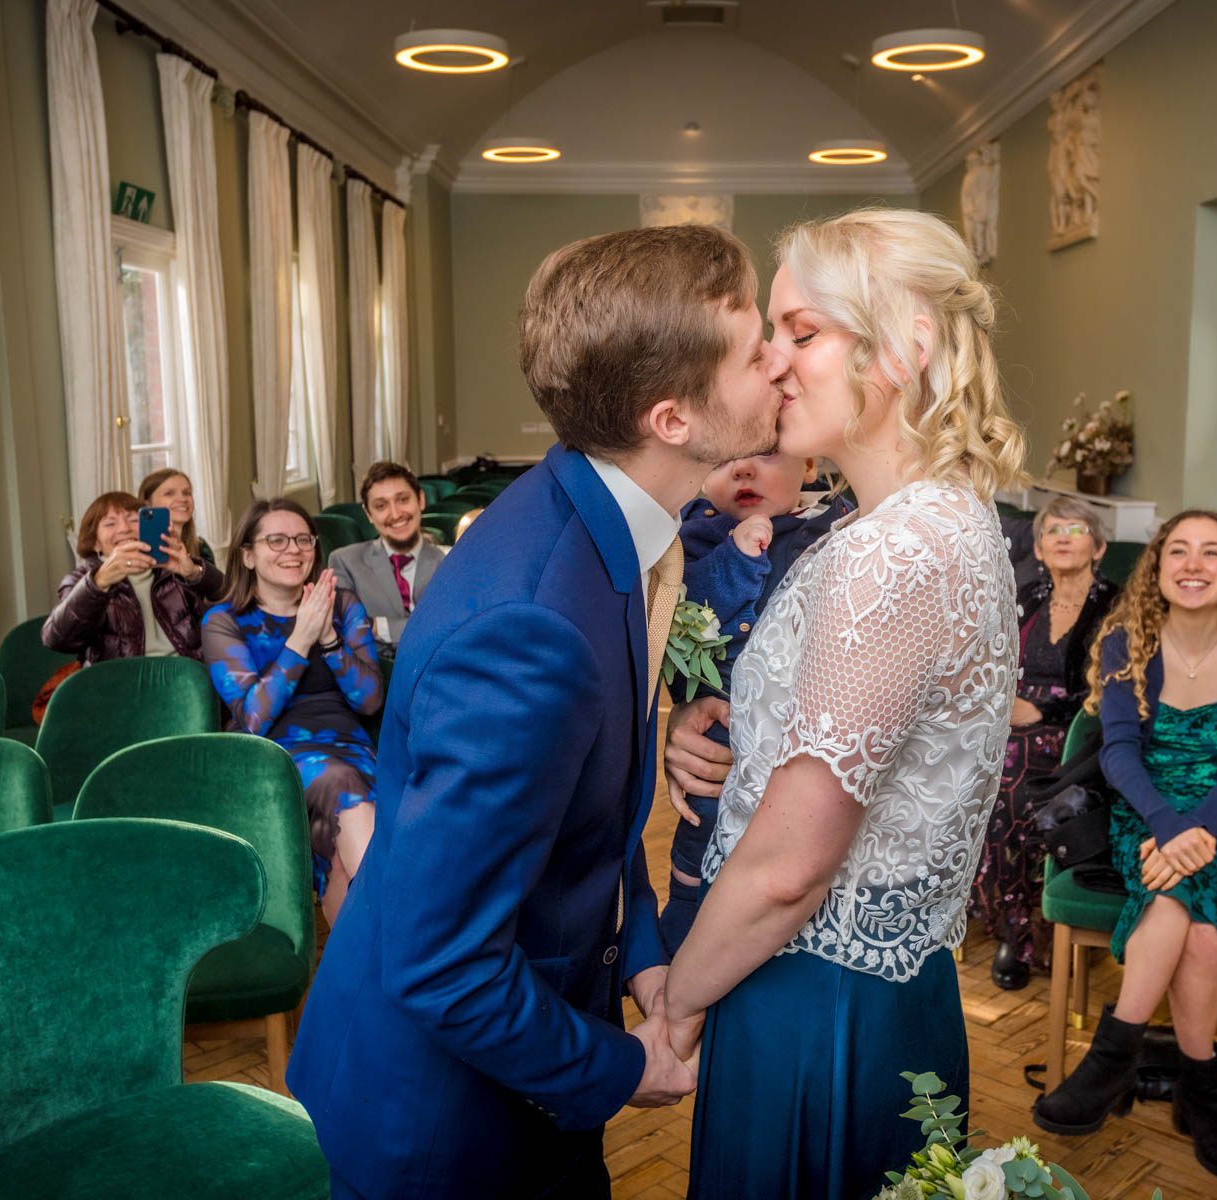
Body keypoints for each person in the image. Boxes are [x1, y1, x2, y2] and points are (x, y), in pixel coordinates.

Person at [285, 224, 785, 1199]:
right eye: (754, 343)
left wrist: (642, 963)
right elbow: (441, 964)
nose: (778, 364)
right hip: (440, 1127)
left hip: (520, 1055)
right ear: (673, 417)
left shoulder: (594, 519)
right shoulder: (535, 626)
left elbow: (581, 831)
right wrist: (625, 1066)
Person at [661, 208, 1025, 1200]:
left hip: (816, 1000)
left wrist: (678, 1004)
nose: (772, 362)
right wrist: (726, 734)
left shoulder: (894, 550)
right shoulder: (926, 520)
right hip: (873, 990)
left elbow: (792, 866)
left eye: (803, 332)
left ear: (905, 346)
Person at [1032, 510, 1217, 1192]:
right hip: (1145, 819)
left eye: (1212, 553)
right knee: (1205, 938)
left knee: (1184, 902)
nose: (1192, 564)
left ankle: (1110, 1056)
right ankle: (1202, 1094)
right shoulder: (1127, 641)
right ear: (1156, 568)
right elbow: (1118, 752)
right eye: (1177, 550)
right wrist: (1165, 824)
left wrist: (1200, 828)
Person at [658, 451, 847, 955]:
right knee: (701, 839)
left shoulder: (838, 526)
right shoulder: (699, 537)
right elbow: (685, 615)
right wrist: (735, 558)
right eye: (722, 461)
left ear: (808, 466)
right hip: (722, 737)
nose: (741, 470)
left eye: (764, 455)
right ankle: (682, 934)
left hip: (805, 751)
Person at [200, 499, 383, 924]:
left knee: (344, 852)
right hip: (275, 756)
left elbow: (370, 700)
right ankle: (402, 946)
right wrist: (300, 640)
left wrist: (331, 641)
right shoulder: (224, 621)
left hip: (350, 746)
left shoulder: (342, 605)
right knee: (343, 788)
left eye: (303, 539)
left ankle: (357, 981)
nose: (293, 550)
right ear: (248, 555)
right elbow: (253, 720)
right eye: (276, 540)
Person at [972, 496, 1120, 990]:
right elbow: (989, 661)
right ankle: (999, 915)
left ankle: (1020, 933)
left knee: (1008, 788)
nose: (1062, 537)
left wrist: (1043, 711)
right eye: (1052, 530)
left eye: (1075, 530)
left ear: (1097, 546)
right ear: (1037, 546)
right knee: (963, 770)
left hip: (1081, 728)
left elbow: (1116, 687)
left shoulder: (1116, 607)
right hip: (1007, 720)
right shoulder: (1026, 597)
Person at [41, 489, 222, 664]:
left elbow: (237, 604)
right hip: (122, 684)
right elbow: (57, 640)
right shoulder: (81, 580)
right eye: (110, 524)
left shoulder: (177, 566)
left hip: (185, 678)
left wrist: (194, 574)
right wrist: (98, 583)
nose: (125, 529)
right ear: (95, 543)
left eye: (134, 520)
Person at [327, 460, 447, 652]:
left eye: (403, 500)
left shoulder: (447, 562)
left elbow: (449, 629)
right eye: (381, 505)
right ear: (368, 514)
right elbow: (347, 630)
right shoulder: (344, 561)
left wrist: (377, 626)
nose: (396, 514)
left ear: (421, 500)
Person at [137, 466, 225, 597]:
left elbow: (222, 594)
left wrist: (195, 572)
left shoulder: (201, 547)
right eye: (169, 493)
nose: (183, 499)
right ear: (147, 505)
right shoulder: (139, 549)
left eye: (187, 493)